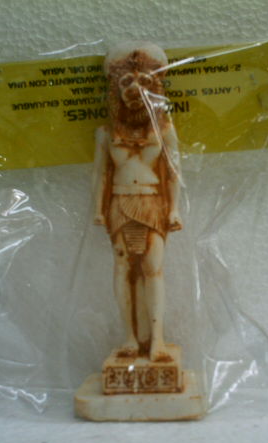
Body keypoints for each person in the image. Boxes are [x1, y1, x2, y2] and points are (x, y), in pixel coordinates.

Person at [92, 43, 182, 362]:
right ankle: (129, 338)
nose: (135, 89)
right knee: (122, 267)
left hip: (152, 202)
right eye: (126, 82)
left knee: (153, 268)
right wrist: (98, 209)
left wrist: (174, 209)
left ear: (154, 87)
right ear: (116, 89)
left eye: (143, 81)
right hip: (120, 203)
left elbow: (174, 172)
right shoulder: (106, 133)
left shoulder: (165, 129)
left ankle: (157, 340)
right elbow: (100, 174)